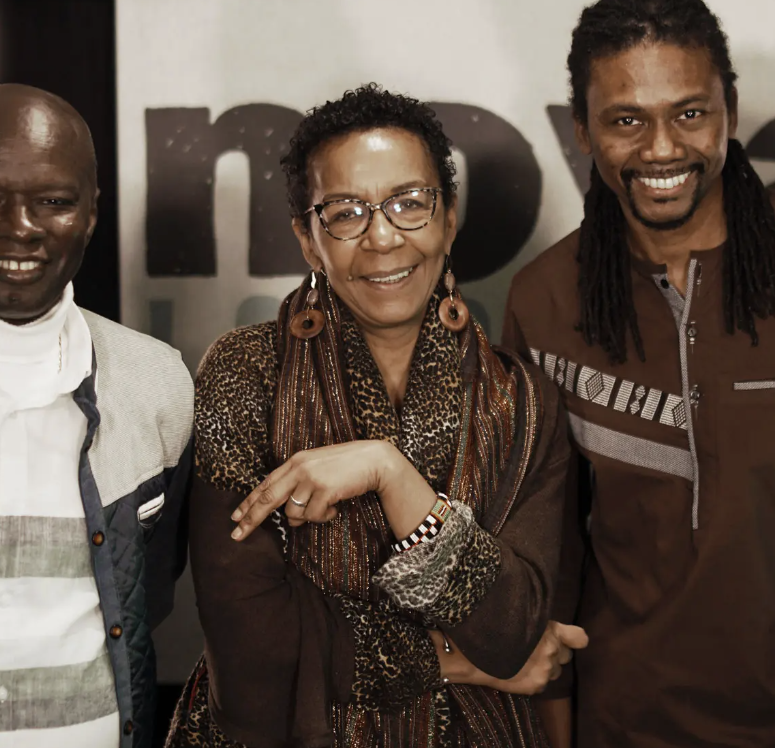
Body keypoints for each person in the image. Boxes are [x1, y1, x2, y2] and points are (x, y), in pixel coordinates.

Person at [166, 84, 585, 748]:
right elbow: (251, 658)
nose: (383, 237)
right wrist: (457, 661)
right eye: (346, 213)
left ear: (448, 219)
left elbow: (514, 629)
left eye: (409, 203)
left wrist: (390, 474)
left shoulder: (523, 402)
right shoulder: (247, 372)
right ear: (308, 240)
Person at [502, 1, 775, 746]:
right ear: (582, 129)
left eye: (689, 113)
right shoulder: (545, 299)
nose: (661, 148)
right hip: (626, 722)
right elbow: (547, 556)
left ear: (729, 110)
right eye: (626, 120)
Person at [0, 84, 194, 748]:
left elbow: (148, 590)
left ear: (91, 212)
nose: (21, 227)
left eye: (54, 201)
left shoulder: (157, 383)